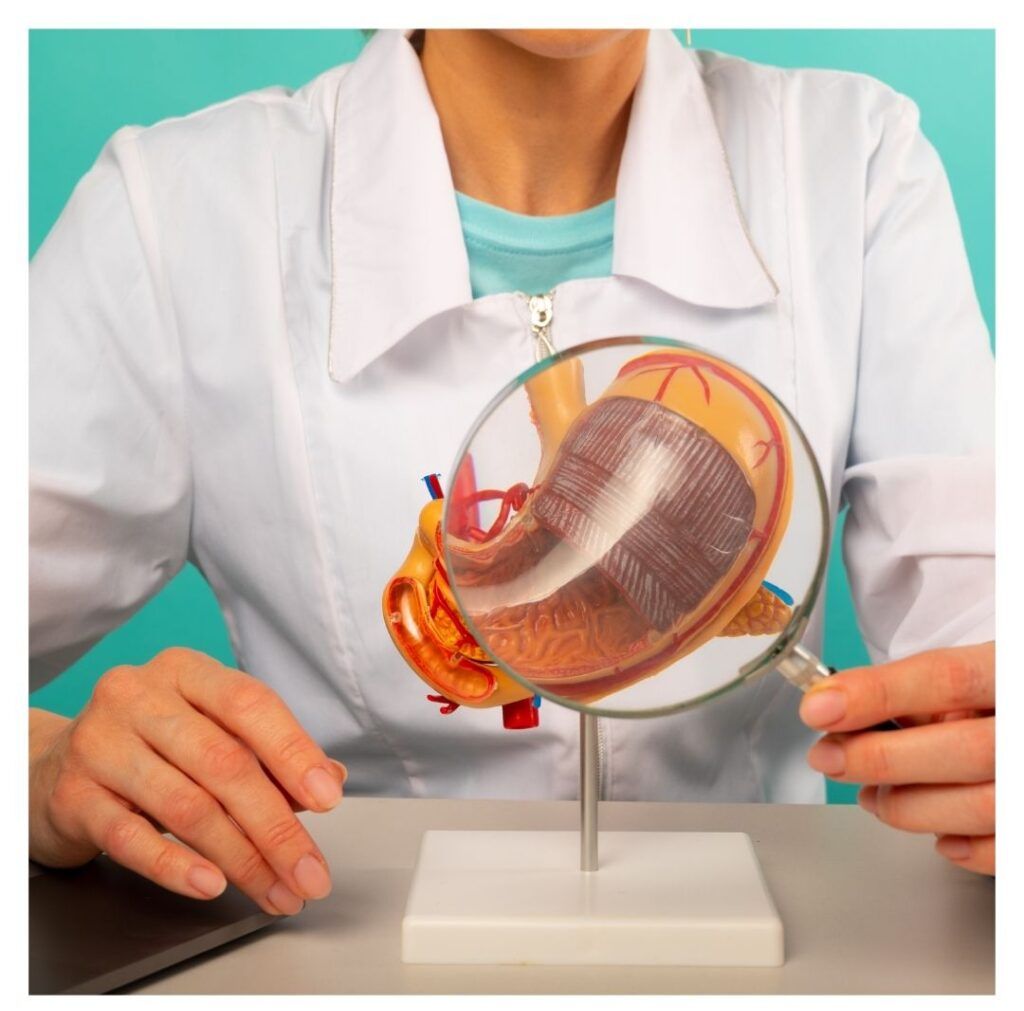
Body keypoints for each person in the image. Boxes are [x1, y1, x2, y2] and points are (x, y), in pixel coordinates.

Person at [29, 29, 995, 915]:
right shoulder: (175, 216)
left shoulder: (854, 162)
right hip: (337, 942)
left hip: (766, 939)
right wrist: (42, 767)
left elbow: (985, 624)